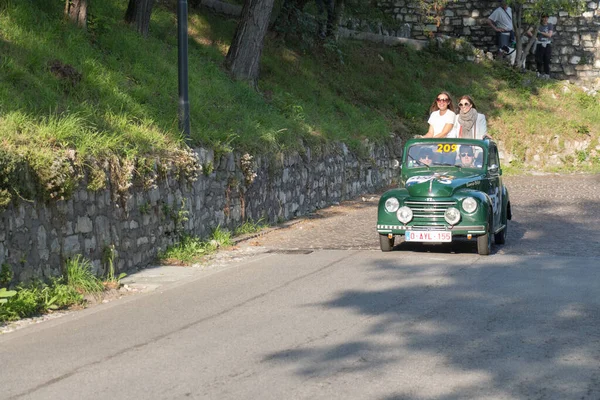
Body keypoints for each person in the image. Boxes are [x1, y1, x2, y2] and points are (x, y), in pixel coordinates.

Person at [528, 14, 554, 79]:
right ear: (541, 18)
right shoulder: (538, 25)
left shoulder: (550, 25)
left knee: (547, 60)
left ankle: (547, 75)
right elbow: (528, 31)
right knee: (538, 60)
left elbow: (549, 35)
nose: (545, 19)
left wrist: (540, 32)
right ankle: (539, 74)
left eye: (547, 18)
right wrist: (535, 38)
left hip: (547, 44)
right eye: (544, 18)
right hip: (539, 44)